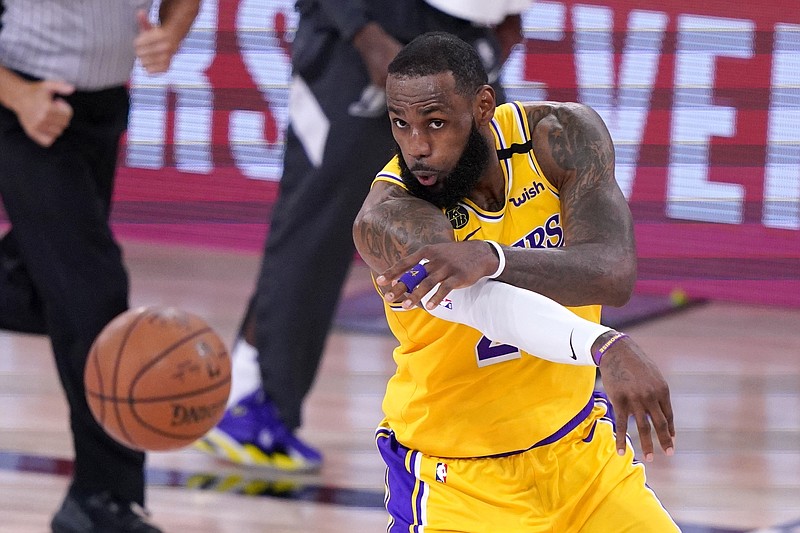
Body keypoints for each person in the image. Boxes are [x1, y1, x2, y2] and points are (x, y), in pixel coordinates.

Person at [351, 32, 680, 531]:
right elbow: (487, 304)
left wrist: (491, 256)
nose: (418, 147)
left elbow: (612, 272)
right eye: (402, 124)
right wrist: (604, 345)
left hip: (581, 456)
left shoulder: (558, 136)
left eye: (436, 123)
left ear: (483, 106)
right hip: (460, 485)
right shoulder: (391, 219)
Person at [197, 0, 532, 472]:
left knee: (488, 218)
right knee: (319, 225)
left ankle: (504, 417)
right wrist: (365, 35)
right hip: (364, 33)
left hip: (463, 35)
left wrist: (509, 17)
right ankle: (254, 398)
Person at [0, 2, 200, 531]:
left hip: (102, 106)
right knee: (93, 297)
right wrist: (18, 96)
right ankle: (100, 498)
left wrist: (172, 30)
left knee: (36, 287)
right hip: (19, 102)